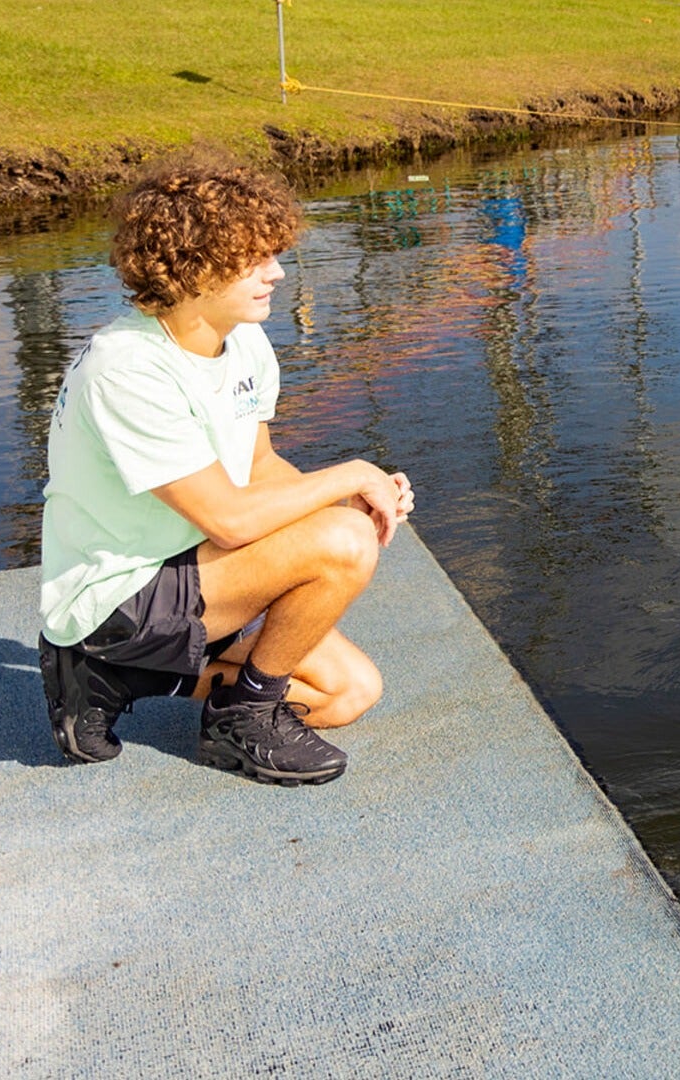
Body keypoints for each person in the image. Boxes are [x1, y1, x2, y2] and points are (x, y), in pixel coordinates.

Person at [37, 158, 413, 786]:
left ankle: (116, 679)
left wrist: (353, 500)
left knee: (349, 692)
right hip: (118, 592)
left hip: (197, 568)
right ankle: (243, 714)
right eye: (255, 259)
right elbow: (231, 520)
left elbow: (259, 467)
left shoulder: (242, 338)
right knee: (342, 540)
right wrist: (349, 477)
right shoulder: (128, 369)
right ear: (193, 266)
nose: (278, 273)